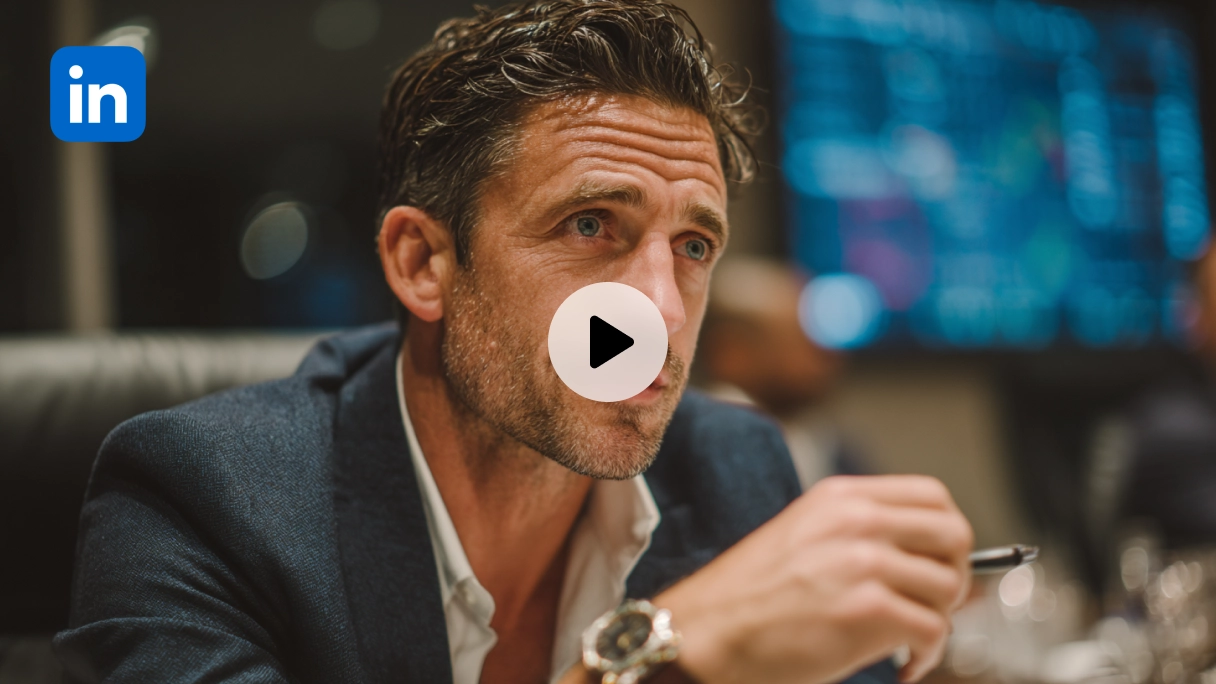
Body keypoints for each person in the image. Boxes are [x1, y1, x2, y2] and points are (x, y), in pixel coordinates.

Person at [53, 2, 974, 683]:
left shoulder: (736, 471)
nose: (662, 308)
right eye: (590, 225)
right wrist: (653, 657)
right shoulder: (201, 502)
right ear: (423, 263)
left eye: (694, 246)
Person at [699, 258, 868, 490]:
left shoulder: (825, 442)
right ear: (732, 353)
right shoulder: (706, 451)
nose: (830, 357)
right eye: (803, 341)